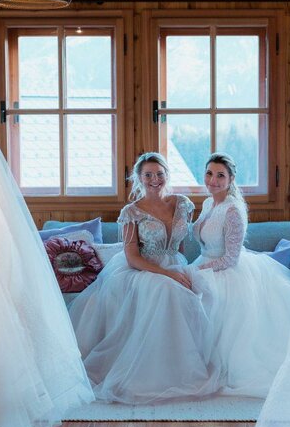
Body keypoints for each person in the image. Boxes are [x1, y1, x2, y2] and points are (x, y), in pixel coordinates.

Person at [68, 153, 221, 404]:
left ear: (166, 176)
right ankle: (152, 373)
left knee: (194, 290)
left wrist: (181, 270)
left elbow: (179, 247)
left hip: (174, 264)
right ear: (139, 179)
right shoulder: (132, 212)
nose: (154, 179)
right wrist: (167, 273)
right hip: (143, 269)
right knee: (165, 290)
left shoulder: (183, 204)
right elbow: (131, 257)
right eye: (148, 175)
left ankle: (180, 365)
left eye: (159, 174)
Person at [193, 153, 290, 397]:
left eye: (220, 175)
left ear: (230, 180)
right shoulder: (209, 203)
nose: (213, 180)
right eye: (209, 173)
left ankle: (219, 368)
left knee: (212, 305)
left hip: (228, 272)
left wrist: (196, 271)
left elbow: (230, 258)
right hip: (206, 264)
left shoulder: (233, 210)